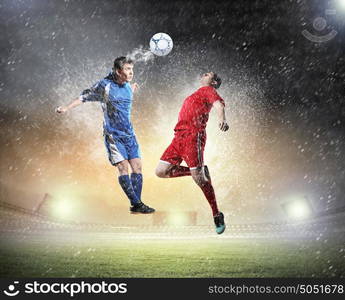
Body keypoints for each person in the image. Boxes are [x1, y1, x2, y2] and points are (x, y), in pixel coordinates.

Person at [56, 56, 155, 214]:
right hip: (113, 136)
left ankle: (137, 204)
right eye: (128, 69)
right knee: (123, 168)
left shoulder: (129, 86)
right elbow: (84, 97)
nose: (131, 72)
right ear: (118, 71)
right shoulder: (105, 85)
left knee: (137, 167)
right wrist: (67, 108)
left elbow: (124, 99)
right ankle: (137, 204)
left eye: (132, 69)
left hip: (129, 134)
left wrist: (133, 89)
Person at [155, 72, 228, 234]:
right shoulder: (196, 93)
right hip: (178, 137)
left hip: (193, 137)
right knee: (160, 172)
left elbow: (219, 105)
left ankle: (216, 214)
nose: (206, 73)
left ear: (214, 82)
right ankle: (197, 172)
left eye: (210, 74)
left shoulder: (208, 90)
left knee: (200, 180)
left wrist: (222, 119)